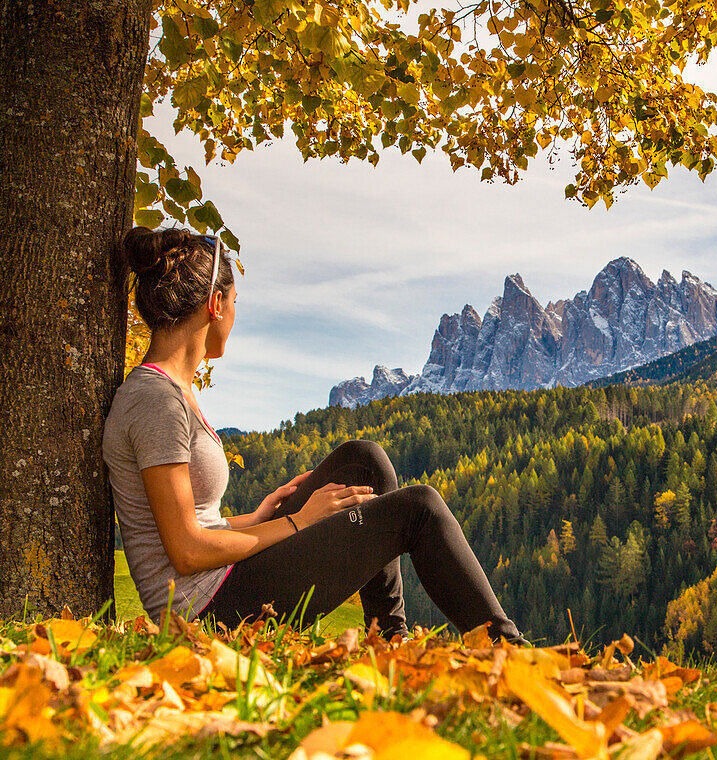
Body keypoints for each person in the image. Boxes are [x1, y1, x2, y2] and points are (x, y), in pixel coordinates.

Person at [102, 227, 526, 643]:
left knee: (365, 461)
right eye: (234, 302)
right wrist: (296, 521)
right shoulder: (155, 401)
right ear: (215, 305)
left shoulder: (172, 392)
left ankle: (388, 637)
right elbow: (187, 551)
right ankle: (508, 648)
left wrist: (256, 518)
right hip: (206, 610)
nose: (234, 314)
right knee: (420, 507)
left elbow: (194, 521)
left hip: (220, 583)